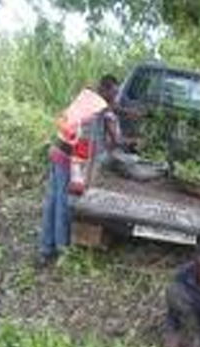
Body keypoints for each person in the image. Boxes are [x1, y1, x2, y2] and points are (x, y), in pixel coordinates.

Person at [38, 75, 121, 266]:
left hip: (57, 150)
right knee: (64, 206)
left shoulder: (87, 97)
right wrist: (83, 180)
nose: (115, 97)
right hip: (67, 158)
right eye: (114, 93)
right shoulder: (95, 109)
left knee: (52, 203)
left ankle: (45, 249)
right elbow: (86, 147)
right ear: (105, 90)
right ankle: (61, 251)